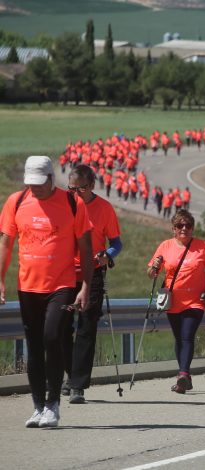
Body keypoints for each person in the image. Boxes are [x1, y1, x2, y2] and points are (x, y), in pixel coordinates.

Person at [0, 156, 93, 428]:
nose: (35, 188)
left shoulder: (72, 203)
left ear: (52, 178)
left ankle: (53, 404)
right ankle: (38, 406)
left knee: (52, 337)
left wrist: (86, 285)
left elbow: (86, 248)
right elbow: (6, 243)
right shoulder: (16, 202)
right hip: (27, 286)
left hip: (62, 285)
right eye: (30, 183)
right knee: (35, 346)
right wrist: (1, 280)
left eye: (40, 183)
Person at [62, 164, 123, 404]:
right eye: (72, 188)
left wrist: (107, 254)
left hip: (93, 274)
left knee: (86, 328)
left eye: (82, 189)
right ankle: (69, 373)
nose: (76, 194)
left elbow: (117, 243)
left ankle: (78, 385)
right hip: (64, 274)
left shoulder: (104, 209)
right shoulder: (62, 206)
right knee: (61, 328)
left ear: (93, 186)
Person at [148, 210, 205, 393]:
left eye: (188, 225)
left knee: (187, 336)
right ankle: (184, 377)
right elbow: (151, 273)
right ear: (173, 229)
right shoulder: (165, 246)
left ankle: (183, 374)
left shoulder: (202, 246)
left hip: (195, 301)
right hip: (173, 301)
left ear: (193, 228)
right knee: (179, 338)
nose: (184, 228)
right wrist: (154, 268)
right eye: (180, 225)